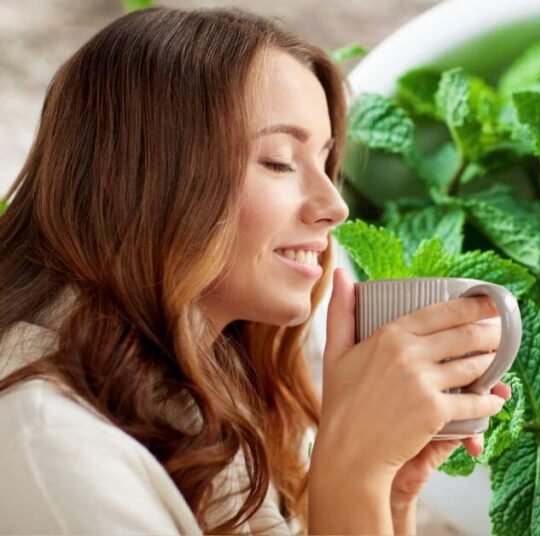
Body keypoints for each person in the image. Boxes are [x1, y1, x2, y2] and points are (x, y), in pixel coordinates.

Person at [0, 6, 510, 535]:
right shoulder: (50, 447)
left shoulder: (200, 404)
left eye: (326, 161)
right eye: (279, 162)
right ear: (134, 177)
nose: (334, 204)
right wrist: (351, 471)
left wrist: (385, 493)